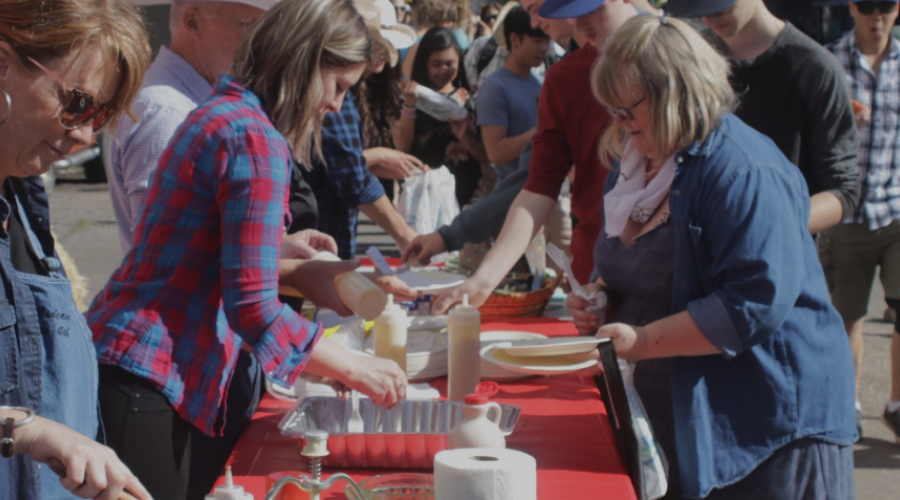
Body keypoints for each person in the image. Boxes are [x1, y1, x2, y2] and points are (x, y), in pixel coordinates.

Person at [86, 1, 408, 498]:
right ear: (303, 62)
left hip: (144, 371)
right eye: (339, 86)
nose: (337, 106)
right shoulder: (253, 137)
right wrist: (356, 368)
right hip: (148, 378)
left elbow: (211, 249)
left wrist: (298, 270)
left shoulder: (231, 117)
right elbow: (253, 307)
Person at [569, 15, 856, 499]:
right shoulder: (638, 162)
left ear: (676, 91)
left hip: (771, 422)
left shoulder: (744, 170)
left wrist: (640, 340)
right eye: (611, 108)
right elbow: (631, 263)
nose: (617, 121)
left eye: (627, 107)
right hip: (693, 408)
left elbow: (753, 304)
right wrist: (599, 293)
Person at [0, 0, 153, 498]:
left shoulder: (21, 196)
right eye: (78, 104)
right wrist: (27, 431)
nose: (86, 135)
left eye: (101, 115)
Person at [429, 0, 638, 314]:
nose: (538, 20)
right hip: (597, 270)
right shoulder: (564, 78)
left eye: (539, 6)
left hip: (673, 276)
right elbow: (537, 185)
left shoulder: (676, 55)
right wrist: (484, 280)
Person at [667, 0, 861, 234]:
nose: (710, 17)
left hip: (776, 259)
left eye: (722, 6)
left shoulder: (816, 68)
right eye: (701, 8)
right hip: (694, 252)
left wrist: (765, 227)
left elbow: (844, 190)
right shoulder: (690, 57)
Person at [826, 0, 900, 444]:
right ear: (851, 7)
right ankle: (847, 405)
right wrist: (839, 122)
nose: (877, 16)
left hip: (897, 210)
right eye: (867, 5)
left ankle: (896, 405)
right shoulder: (829, 61)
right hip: (846, 213)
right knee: (846, 316)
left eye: (886, 5)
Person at [304, 0, 422, 263]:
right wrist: (405, 236)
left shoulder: (351, 90)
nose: (382, 54)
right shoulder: (339, 97)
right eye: (378, 43)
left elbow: (339, 162)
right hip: (317, 239)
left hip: (323, 235)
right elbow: (351, 174)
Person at [394, 26, 489, 207]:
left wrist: (464, 137)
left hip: (466, 195)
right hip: (423, 198)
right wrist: (410, 104)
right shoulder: (410, 96)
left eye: (449, 64)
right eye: (436, 64)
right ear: (424, 63)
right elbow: (401, 145)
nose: (443, 70)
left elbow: (486, 156)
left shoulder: (468, 101)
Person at [477, 6, 548, 181]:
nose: (545, 48)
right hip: (512, 193)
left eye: (547, 41)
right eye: (538, 41)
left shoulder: (540, 82)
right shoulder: (494, 88)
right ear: (515, 40)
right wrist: (543, 130)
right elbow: (495, 153)